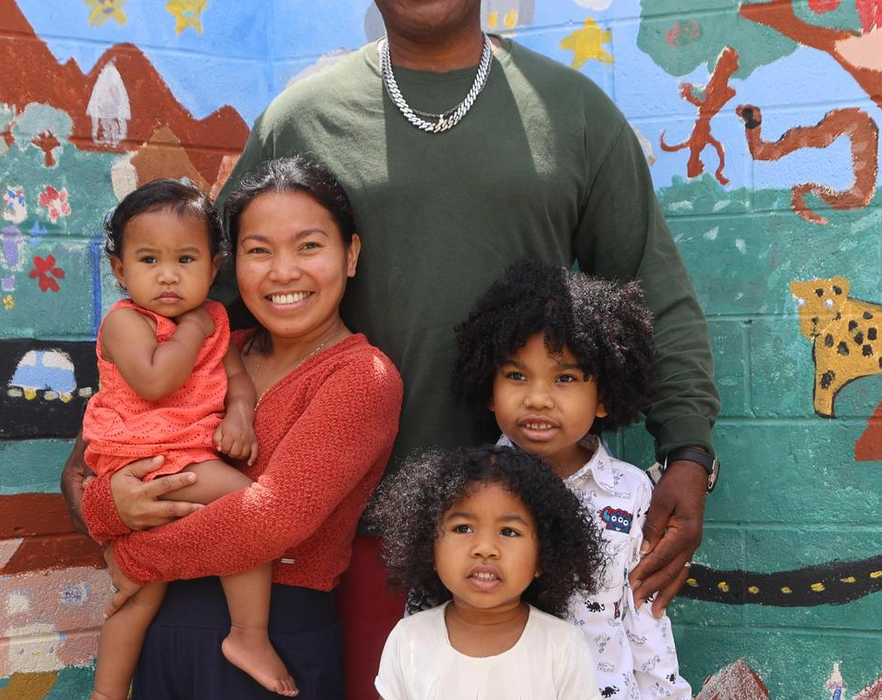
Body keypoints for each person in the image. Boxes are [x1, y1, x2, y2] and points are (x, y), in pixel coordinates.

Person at [216, 3, 720, 692]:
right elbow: (209, 301)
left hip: (537, 534)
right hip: (349, 535)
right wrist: (112, 440)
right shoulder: (304, 116)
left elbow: (653, 290)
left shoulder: (571, 111)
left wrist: (688, 453)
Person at [63, 156, 403, 699]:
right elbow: (88, 464)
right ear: (233, 265)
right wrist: (109, 509)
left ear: (351, 254)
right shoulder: (218, 348)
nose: (283, 271)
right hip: (163, 630)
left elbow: (271, 520)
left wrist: (127, 554)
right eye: (259, 250)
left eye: (309, 246)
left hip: (276, 639)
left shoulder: (361, 377)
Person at [82, 179, 295, 699]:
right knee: (249, 513)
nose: (169, 276)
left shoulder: (214, 320)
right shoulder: (126, 323)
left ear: (213, 267)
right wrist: (192, 331)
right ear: (120, 270)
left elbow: (236, 380)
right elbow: (156, 378)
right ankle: (247, 635)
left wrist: (240, 416)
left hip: (184, 456)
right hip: (145, 458)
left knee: (141, 596)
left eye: (186, 259)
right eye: (149, 260)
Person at [452, 259, 689, 699]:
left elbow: (642, 615)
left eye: (565, 378)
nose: (538, 398)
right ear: (489, 388)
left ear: (604, 398)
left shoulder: (632, 491)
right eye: (516, 375)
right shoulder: (467, 489)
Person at [368, 446, 603, 700]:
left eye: (509, 531)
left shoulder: (563, 646)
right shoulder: (409, 638)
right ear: (428, 546)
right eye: (463, 528)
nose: (485, 549)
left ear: (543, 557)